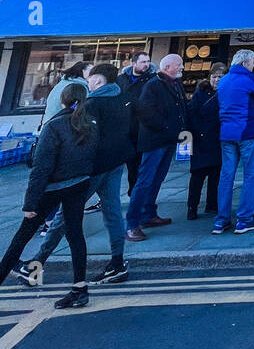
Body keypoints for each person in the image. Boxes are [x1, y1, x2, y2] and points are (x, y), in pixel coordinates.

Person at [20, 63, 131, 286]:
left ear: (98, 81)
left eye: (90, 78)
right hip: (116, 163)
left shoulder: (91, 104)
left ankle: (37, 262)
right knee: (113, 213)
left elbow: (80, 138)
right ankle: (117, 263)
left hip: (91, 168)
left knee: (65, 215)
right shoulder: (123, 99)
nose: (88, 82)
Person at [0, 82, 98, 307]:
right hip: (79, 184)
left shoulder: (53, 126)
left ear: (63, 100)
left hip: (52, 188)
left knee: (22, 237)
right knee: (75, 236)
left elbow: (41, 168)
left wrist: (30, 203)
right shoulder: (91, 123)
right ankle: (80, 289)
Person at [126, 54, 187, 241]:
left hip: (168, 139)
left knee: (157, 179)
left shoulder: (175, 84)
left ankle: (148, 214)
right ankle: (132, 224)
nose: (182, 68)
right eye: (179, 65)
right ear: (168, 66)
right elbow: (145, 112)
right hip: (155, 141)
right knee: (145, 181)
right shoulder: (153, 85)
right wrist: (167, 127)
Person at [211, 50, 254, 236]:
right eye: (252, 62)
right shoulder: (251, 80)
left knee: (226, 176)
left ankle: (221, 220)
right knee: (251, 175)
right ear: (245, 63)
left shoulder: (224, 80)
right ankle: (244, 219)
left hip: (226, 133)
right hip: (247, 131)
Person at [187, 63, 227, 219]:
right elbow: (192, 114)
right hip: (201, 139)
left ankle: (212, 204)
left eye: (220, 77)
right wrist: (198, 132)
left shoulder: (224, 93)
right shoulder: (200, 93)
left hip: (217, 139)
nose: (216, 80)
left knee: (215, 175)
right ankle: (192, 206)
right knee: (197, 175)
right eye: (214, 76)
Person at [117, 50, 156, 194]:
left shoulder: (152, 79)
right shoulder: (121, 79)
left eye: (148, 61)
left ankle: (138, 193)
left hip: (143, 128)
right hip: (125, 128)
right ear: (133, 63)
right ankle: (134, 191)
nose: (146, 65)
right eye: (143, 62)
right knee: (130, 164)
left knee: (142, 165)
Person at [41, 60, 91, 125]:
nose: (94, 74)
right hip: (62, 125)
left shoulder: (62, 83)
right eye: (91, 71)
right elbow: (82, 109)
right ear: (83, 71)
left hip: (49, 122)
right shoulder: (79, 87)